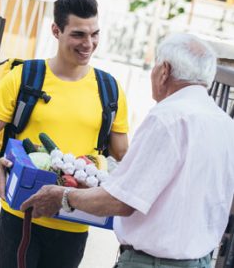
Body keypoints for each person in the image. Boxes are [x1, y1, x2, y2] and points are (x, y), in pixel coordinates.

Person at [21, 33, 234, 268]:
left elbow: (121, 201)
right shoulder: (224, 123)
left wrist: (62, 196)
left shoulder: (168, 117)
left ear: (164, 71)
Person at [0, 0, 129, 268]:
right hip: (21, 217)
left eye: (95, 34)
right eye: (78, 34)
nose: (88, 43)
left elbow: (127, 157)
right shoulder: (24, 78)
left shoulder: (109, 89)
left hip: (75, 223)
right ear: (56, 30)